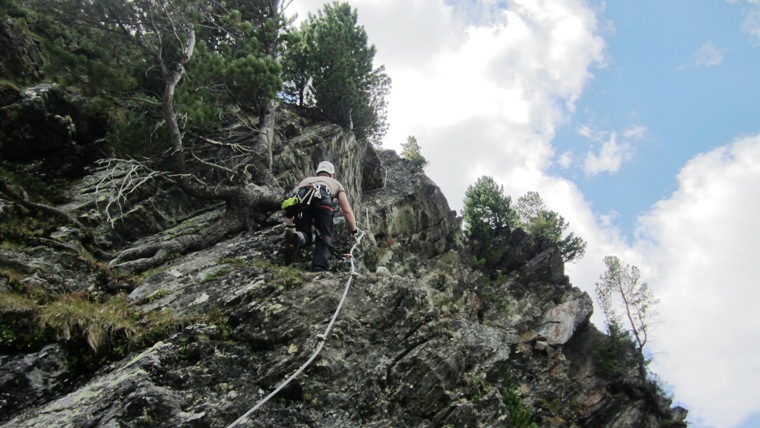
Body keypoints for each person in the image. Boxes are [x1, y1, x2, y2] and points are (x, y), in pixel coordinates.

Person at [283, 161, 358, 271]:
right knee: (324, 235)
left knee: (305, 234)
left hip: (302, 201)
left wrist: (289, 226)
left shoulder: (305, 181)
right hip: (322, 201)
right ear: (332, 175)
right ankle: (319, 267)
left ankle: (298, 237)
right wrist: (354, 231)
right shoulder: (335, 183)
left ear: (317, 174)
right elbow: (347, 211)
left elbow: (292, 202)